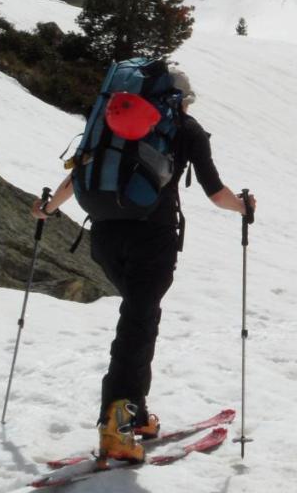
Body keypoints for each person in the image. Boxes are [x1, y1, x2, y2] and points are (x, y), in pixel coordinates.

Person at [31, 67, 256, 463]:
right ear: (179, 99)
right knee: (137, 322)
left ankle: (133, 413)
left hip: (104, 236)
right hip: (152, 238)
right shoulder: (185, 129)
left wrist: (47, 209)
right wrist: (244, 207)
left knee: (140, 317)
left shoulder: (111, 121)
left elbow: (80, 171)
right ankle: (115, 425)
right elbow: (216, 193)